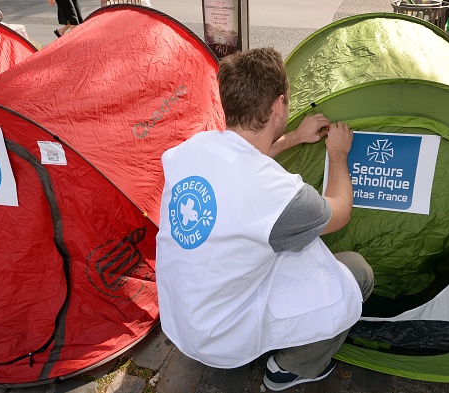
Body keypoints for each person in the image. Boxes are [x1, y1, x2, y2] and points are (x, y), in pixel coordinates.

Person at [155, 47, 374, 392]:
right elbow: (340, 210)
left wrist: (296, 138)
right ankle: (291, 368)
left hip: (182, 319)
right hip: (221, 339)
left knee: (281, 250)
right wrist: (338, 154)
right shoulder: (278, 195)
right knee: (356, 273)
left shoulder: (192, 150)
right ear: (278, 105)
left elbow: (245, 159)